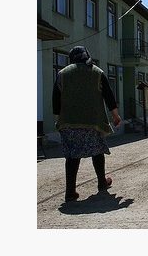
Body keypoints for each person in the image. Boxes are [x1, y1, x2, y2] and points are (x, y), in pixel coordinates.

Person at [52, 46, 121, 202]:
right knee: (97, 152)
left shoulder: (62, 74)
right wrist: (115, 116)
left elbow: (56, 98)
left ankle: (70, 192)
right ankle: (101, 182)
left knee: (72, 156)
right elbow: (108, 95)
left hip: (68, 122)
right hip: (93, 122)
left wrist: (58, 119)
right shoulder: (97, 72)